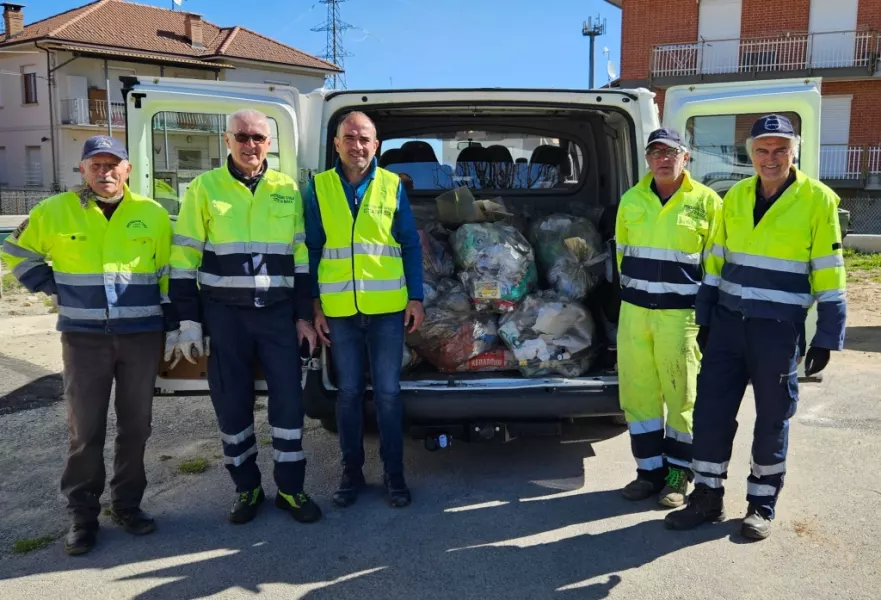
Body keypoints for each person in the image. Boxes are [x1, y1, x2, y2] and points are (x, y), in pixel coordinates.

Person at [665, 114, 847, 540]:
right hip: (728, 326)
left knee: (771, 419)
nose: (771, 158)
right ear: (750, 154)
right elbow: (715, 263)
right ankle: (706, 497)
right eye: (763, 150)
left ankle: (761, 504)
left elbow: (830, 272)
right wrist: (706, 316)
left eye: (780, 149)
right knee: (710, 414)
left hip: (777, 331)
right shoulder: (735, 197)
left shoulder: (818, 200)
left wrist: (826, 337)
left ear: (794, 151)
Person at [1, 136, 173, 555]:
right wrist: (50, 286)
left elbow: (168, 274)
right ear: (82, 170)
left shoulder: (152, 214)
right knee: (85, 431)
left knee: (136, 428)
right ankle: (82, 516)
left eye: (113, 164)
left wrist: (177, 327)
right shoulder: (54, 211)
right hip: (84, 340)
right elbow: (14, 250)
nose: (105, 172)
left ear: (128, 169)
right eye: (96, 164)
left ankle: (128, 506)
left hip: (140, 338)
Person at [167, 109, 321, 525]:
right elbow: (182, 257)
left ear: (269, 143)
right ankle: (247, 488)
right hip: (224, 317)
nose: (250, 145)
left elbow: (301, 259)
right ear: (227, 140)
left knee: (289, 405)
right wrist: (187, 320)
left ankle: (291, 489)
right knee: (232, 406)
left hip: (276, 316)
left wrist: (303, 315)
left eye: (258, 137)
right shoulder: (204, 187)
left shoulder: (288, 188)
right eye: (242, 136)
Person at [304, 111, 425, 509]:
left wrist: (416, 297)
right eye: (349, 138)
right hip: (339, 310)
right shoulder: (318, 187)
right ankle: (351, 472)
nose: (357, 145)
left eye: (365, 139)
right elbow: (312, 249)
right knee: (349, 392)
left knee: (389, 394)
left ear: (376, 146)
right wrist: (314, 304)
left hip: (387, 309)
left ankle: (394, 475)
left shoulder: (392, 186)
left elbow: (409, 243)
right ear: (336, 143)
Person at [615, 128, 722, 508]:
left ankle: (678, 477)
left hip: (681, 317)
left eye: (670, 152)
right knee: (638, 396)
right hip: (635, 315)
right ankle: (648, 474)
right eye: (655, 152)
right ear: (647, 159)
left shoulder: (707, 202)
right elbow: (621, 259)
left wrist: (708, 319)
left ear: (685, 157)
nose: (662, 159)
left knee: (682, 397)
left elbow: (715, 265)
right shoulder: (631, 200)